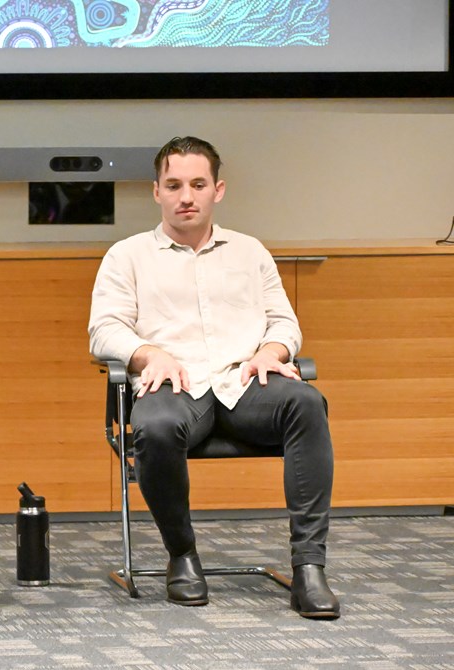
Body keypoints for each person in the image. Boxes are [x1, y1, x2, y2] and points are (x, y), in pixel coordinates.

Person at [88, 136, 339, 619]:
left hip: (247, 385)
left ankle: (309, 567)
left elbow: (284, 322)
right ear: (156, 191)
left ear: (217, 190)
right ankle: (182, 555)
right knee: (155, 426)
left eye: (198, 184)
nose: (187, 196)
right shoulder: (127, 255)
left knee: (307, 401)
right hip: (175, 387)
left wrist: (274, 348)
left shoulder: (249, 251)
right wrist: (145, 352)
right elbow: (104, 329)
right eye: (174, 185)